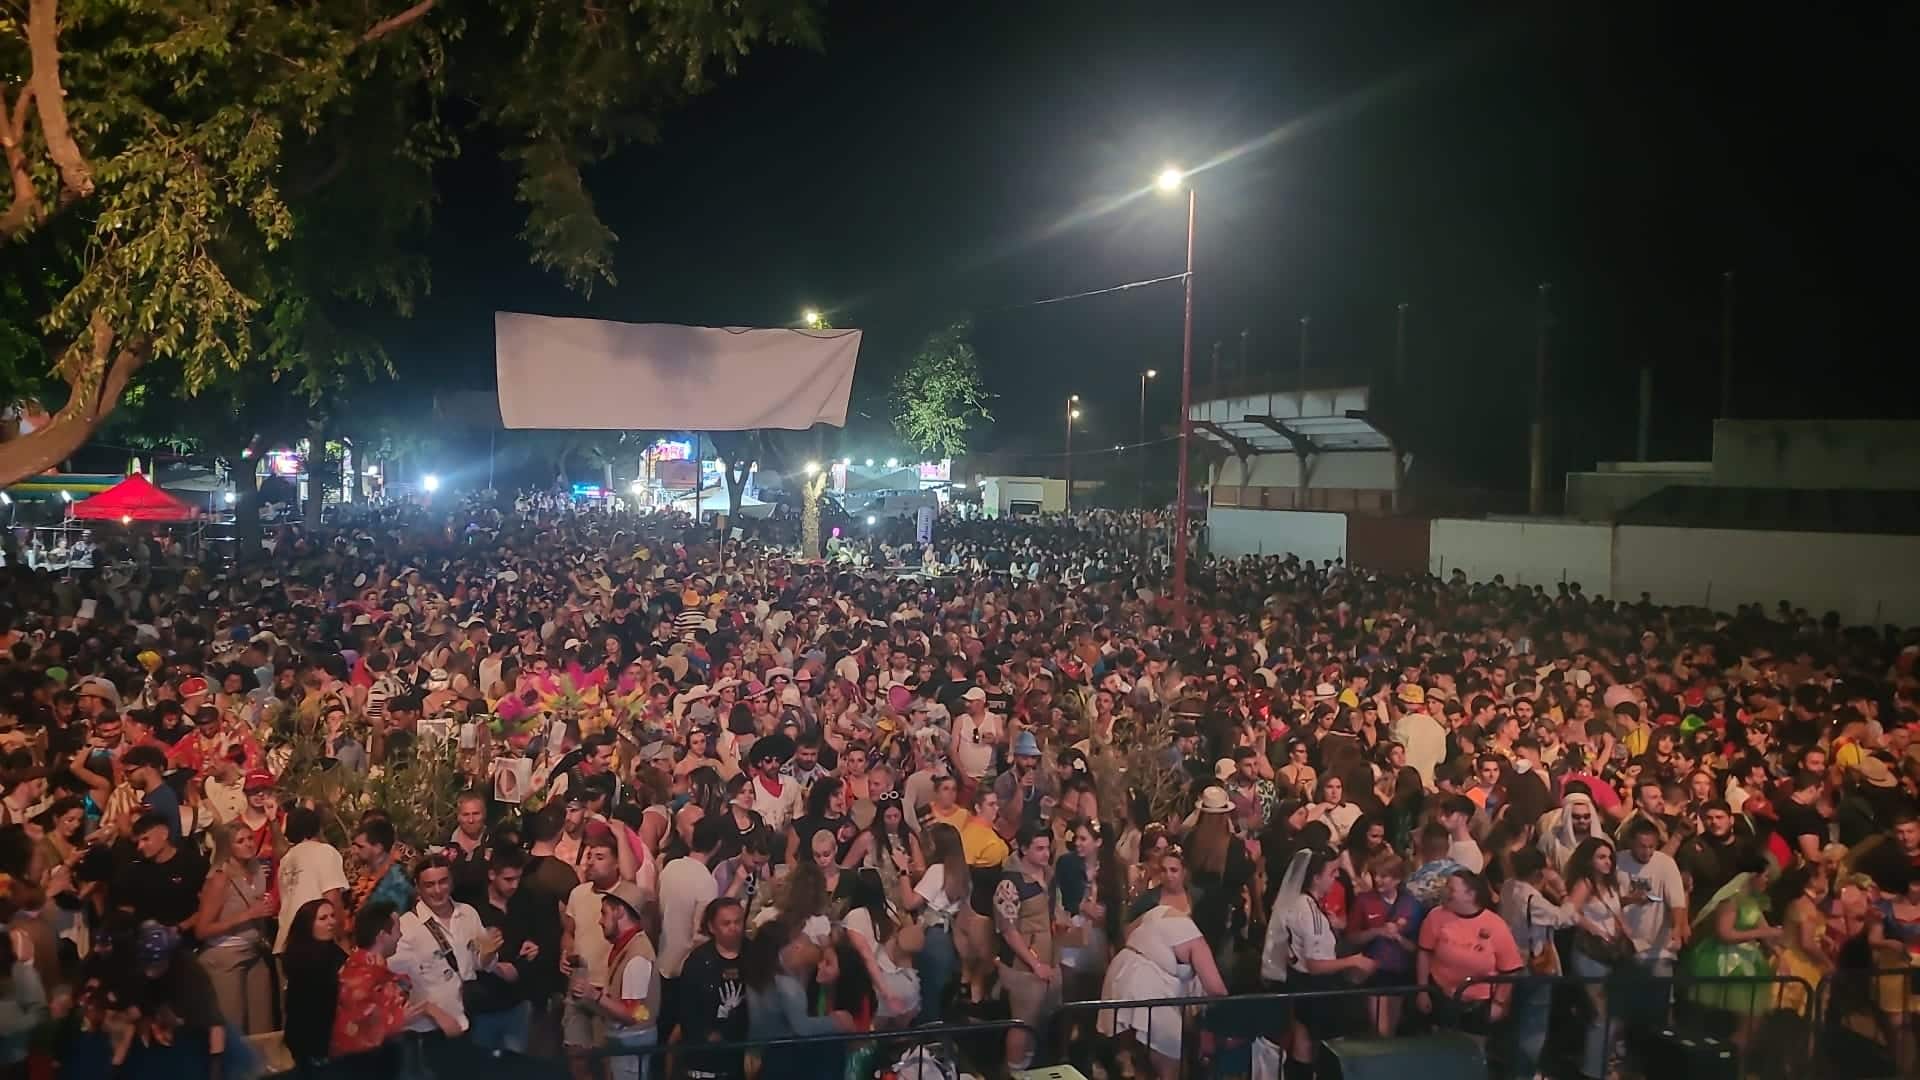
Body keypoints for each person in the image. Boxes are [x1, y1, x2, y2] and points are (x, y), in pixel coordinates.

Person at [1097, 843, 1229, 1080]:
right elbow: (1217, 989)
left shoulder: (1162, 914)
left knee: (1143, 1063)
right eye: (1164, 870)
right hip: (1146, 990)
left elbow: (1130, 936)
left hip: (1121, 978)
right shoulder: (1180, 927)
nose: (1169, 876)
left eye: (1175, 870)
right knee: (1167, 1068)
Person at [193, 821, 277, 1036]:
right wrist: (248, 915)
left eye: (250, 838)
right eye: (240, 841)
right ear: (227, 847)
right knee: (234, 1026)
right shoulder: (220, 878)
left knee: (262, 1024)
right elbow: (201, 930)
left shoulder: (258, 869)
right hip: (225, 956)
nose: (249, 844)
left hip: (255, 951)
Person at [1415, 870, 1519, 1039]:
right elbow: (1424, 953)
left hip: (1478, 1004)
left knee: (1473, 1050)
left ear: (1470, 895)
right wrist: (1422, 991)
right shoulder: (1436, 916)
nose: (1445, 892)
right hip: (1442, 997)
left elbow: (1510, 969)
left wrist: (1499, 1003)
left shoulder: (1496, 925)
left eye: (1451, 889)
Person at [576, 880, 660, 1080]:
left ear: (620, 912)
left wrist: (594, 996)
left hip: (631, 1045)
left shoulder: (637, 956)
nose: (600, 920)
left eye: (604, 913)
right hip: (624, 1043)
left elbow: (633, 1014)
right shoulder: (627, 947)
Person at [993, 827, 1059, 1071]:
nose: (1045, 854)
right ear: (1023, 849)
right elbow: (1009, 931)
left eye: (1047, 848)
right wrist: (1035, 965)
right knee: (1022, 1022)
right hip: (1023, 967)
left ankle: (1029, 1066)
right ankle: (1012, 1070)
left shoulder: (1049, 875)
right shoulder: (1010, 883)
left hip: (1048, 959)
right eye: (1039, 849)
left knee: (1038, 1020)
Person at [657, 816, 723, 1042]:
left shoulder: (671, 867)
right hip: (685, 968)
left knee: (662, 1027)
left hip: (663, 959)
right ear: (717, 845)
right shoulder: (706, 881)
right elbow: (700, 933)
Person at [901, 821, 968, 1023]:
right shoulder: (962, 871)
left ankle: (925, 1046)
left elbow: (910, 902)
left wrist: (903, 871)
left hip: (932, 938)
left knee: (929, 996)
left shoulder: (937, 871)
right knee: (941, 998)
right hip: (951, 937)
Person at [1347, 852, 1421, 1036]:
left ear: (1397, 879)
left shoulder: (1410, 903)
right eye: (1375, 875)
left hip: (1400, 971)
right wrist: (1377, 931)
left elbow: (1418, 948)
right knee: (1381, 1030)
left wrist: (1398, 937)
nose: (1378, 880)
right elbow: (1351, 938)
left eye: (1384, 876)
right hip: (1374, 970)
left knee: (1392, 1030)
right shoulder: (1363, 901)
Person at [675, 897, 748, 1080]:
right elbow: (685, 1009)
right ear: (712, 927)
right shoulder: (698, 961)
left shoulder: (754, 955)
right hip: (704, 1057)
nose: (734, 927)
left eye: (738, 922)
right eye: (726, 923)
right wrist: (706, 1034)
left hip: (742, 1052)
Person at [282, 898, 348, 1075]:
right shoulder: (302, 957)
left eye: (333, 916)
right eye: (323, 918)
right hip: (312, 1038)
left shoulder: (332, 950)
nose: (331, 922)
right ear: (308, 925)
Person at [277, 806, 349, 953]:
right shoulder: (325, 852)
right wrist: (342, 940)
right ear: (317, 827)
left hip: (285, 943)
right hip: (316, 943)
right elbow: (332, 898)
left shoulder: (286, 860)